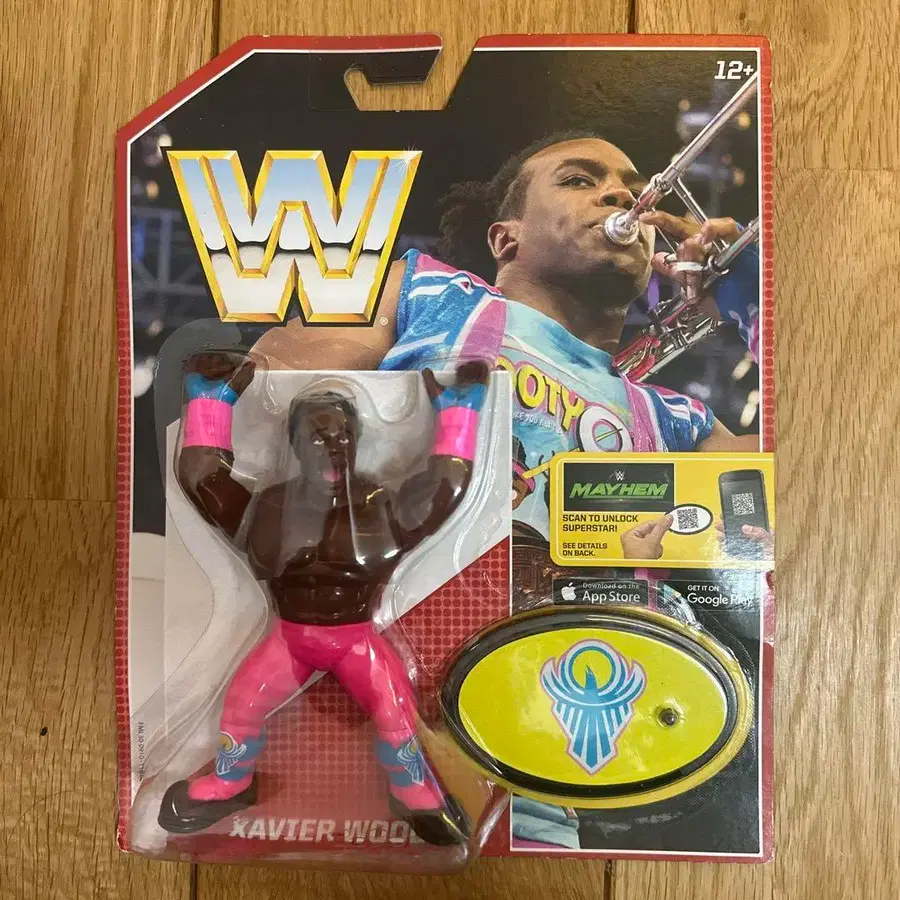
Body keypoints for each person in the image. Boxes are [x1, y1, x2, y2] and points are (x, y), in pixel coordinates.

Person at [157, 352, 489, 845]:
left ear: (357, 441)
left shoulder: (379, 506)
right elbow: (204, 479)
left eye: (344, 437)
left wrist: (460, 414)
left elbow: (445, 491)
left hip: (356, 640)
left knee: (396, 709)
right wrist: (210, 402)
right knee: (243, 702)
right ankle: (231, 783)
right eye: (318, 437)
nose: (333, 447)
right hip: (290, 640)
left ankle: (413, 789)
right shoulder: (270, 507)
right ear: (294, 445)